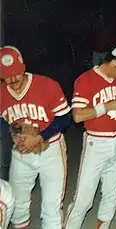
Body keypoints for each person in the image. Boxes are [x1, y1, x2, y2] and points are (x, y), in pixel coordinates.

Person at [64, 45, 116, 229]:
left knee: (111, 193)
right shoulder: (86, 80)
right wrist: (106, 107)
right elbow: (77, 115)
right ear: (114, 61)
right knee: (84, 198)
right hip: (96, 142)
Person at [0, 46, 71, 229]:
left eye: (16, 74)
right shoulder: (1, 93)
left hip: (50, 150)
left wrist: (41, 136)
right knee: (18, 205)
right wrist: (13, 136)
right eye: (7, 76)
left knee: (51, 208)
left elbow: (65, 117)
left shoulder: (47, 85)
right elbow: (2, 121)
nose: (13, 80)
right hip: (21, 155)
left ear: (23, 67)